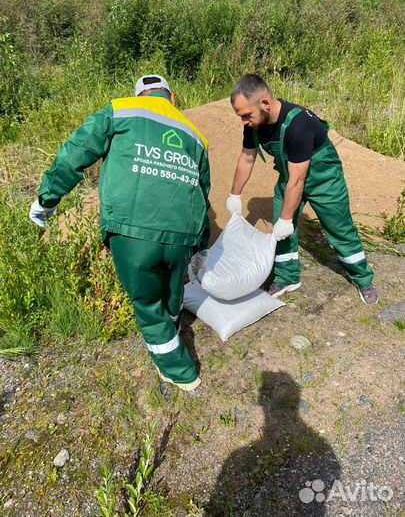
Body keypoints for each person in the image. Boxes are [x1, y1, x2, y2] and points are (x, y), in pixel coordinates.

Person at [30, 74, 211, 390]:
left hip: (132, 229)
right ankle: (172, 329)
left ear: (140, 95)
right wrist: (201, 241)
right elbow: (203, 192)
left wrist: (48, 198)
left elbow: (77, 152)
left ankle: (182, 373)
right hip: (182, 232)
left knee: (148, 306)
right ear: (171, 99)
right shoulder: (194, 134)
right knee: (171, 296)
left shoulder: (120, 110)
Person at [226, 74, 378, 305]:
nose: (244, 122)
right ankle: (288, 277)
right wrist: (235, 194)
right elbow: (247, 158)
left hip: (323, 179)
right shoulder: (254, 124)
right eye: (241, 117)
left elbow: (299, 179)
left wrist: (288, 218)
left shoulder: (298, 124)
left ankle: (362, 277)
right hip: (291, 175)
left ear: (265, 103)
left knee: (339, 227)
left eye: (247, 115)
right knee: (281, 228)